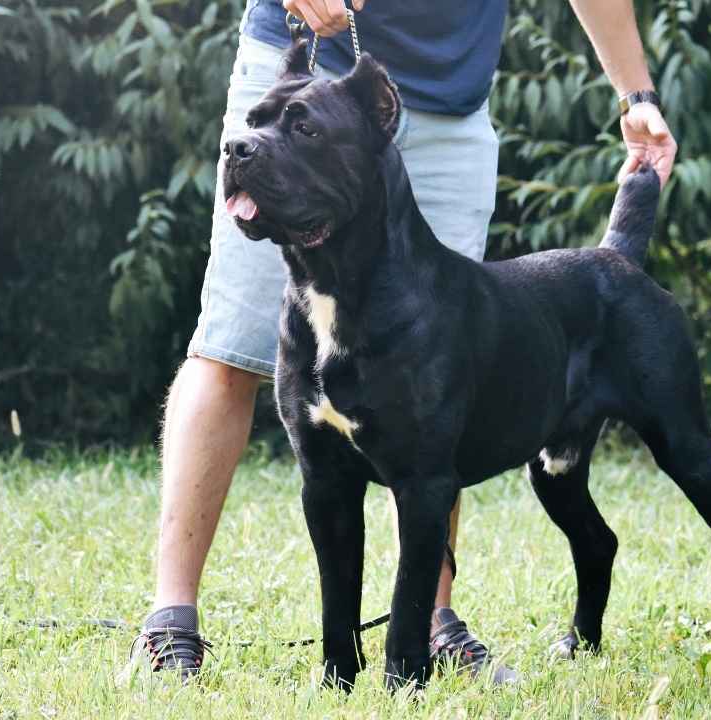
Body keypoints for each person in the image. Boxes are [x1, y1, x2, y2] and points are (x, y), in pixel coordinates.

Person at [128, 0, 677, 684]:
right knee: (226, 353)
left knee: (438, 379)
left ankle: (429, 626)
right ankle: (170, 620)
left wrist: (635, 93)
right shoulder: (266, 131)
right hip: (300, 75)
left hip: (449, 99)